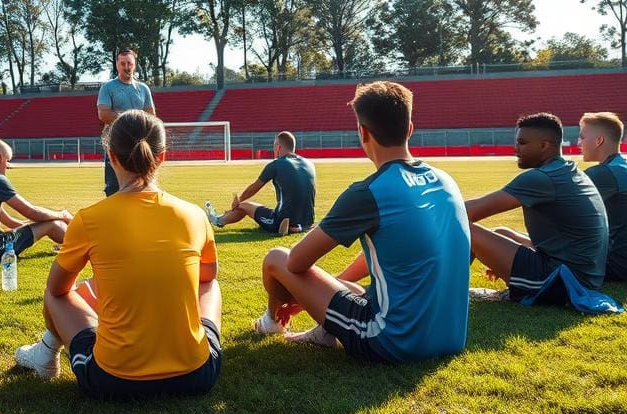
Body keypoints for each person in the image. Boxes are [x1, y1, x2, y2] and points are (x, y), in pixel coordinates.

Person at [254, 81, 470, 363]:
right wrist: (323, 289)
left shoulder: (369, 192)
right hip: (451, 337)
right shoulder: (445, 179)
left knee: (276, 258)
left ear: (363, 132)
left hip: (393, 340)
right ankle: (325, 330)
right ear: (410, 129)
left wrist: (303, 292)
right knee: (353, 287)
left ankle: (272, 322)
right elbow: (399, 246)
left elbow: (295, 263)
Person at [14, 110, 223, 400]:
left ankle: (46, 355)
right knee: (210, 283)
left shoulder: (89, 219)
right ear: (162, 157)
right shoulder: (195, 215)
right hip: (198, 375)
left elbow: (57, 289)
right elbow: (206, 277)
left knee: (55, 295)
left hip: (113, 380)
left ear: (111, 157)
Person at [465, 113, 607, 304]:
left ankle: (443, 289)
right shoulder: (566, 169)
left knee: (466, 228)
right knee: (501, 232)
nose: (516, 149)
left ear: (544, 145)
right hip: (584, 277)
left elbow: (468, 212)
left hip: (564, 283)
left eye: (522, 143)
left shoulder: (541, 178)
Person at [206, 131, 316, 236]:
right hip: (308, 221)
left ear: (278, 147)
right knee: (254, 206)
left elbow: (254, 187)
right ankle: (298, 227)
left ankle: (217, 220)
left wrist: (238, 199)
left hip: (282, 220)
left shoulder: (276, 164)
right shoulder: (309, 163)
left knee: (242, 205)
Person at [96, 47, 156, 196]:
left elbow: (151, 115)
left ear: (135, 64)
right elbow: (104, 115)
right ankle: (114, 218)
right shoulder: (107, 87)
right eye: (123, 64)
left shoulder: (143, 88)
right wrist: (133, 120)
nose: (126, 67)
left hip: (139, 144)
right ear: (117, 65)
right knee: (113, 186)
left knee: (141, 183)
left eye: (129, 63)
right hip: (116, 143)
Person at [579, 112, 627, 281]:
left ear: (599, 140)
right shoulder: (622, 167)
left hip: (615, 264)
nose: (579, 143)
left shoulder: (602, 174)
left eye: (582, 137)